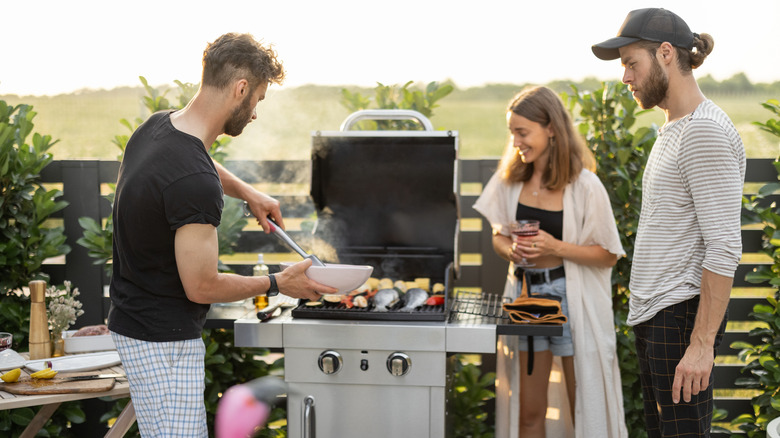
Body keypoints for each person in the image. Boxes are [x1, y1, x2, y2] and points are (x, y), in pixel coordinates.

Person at [108, 33, 337, 437]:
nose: (254, 114)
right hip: (166, 345)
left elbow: (195, 161)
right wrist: (280, 282)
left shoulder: (157, 127)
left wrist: (246, 191)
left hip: (135, 323)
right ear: (241, 89)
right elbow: (201, 286)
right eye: (258, 101)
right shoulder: (194, 182)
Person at [592, 8, 746, 437]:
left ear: (664, 54)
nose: (625, 77)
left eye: (629, 62)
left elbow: (724, 247)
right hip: (659, 317)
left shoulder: (703, 132)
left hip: (679, 318)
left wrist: (700, 346)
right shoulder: (674, 127)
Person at [473, 85, 627, 438]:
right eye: (512, 133)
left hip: (573, 302)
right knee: (528, 412)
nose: (515, 142)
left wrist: (556, 247)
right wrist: (508, 250)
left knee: (582, 408)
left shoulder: (586, 186)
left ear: (551, 128)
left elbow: (607, 256)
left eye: (522, 133)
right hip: (526, 301)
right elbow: (498, 234)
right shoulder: (510, 179)